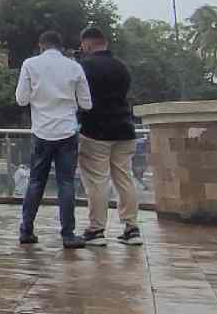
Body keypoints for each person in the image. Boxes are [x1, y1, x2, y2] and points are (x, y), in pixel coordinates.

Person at [15, 30, 93, 249]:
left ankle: (26, 230)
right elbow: (87, 104)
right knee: (66, 183)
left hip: (41, 132)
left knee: (35, 181)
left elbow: (21, 99)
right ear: (61, 47)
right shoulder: (74, 67)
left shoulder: (30, 64)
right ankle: (68, 234)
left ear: (41, 46)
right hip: (67, 131)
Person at [77, 26, 143, 247]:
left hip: (95, 131)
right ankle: (131, 227)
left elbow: (80, 99)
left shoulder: (84, 67)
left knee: (97, 182)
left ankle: (96, 230)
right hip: (125, 129)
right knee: (124, 178)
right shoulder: (122, 67)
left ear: (87, 44)